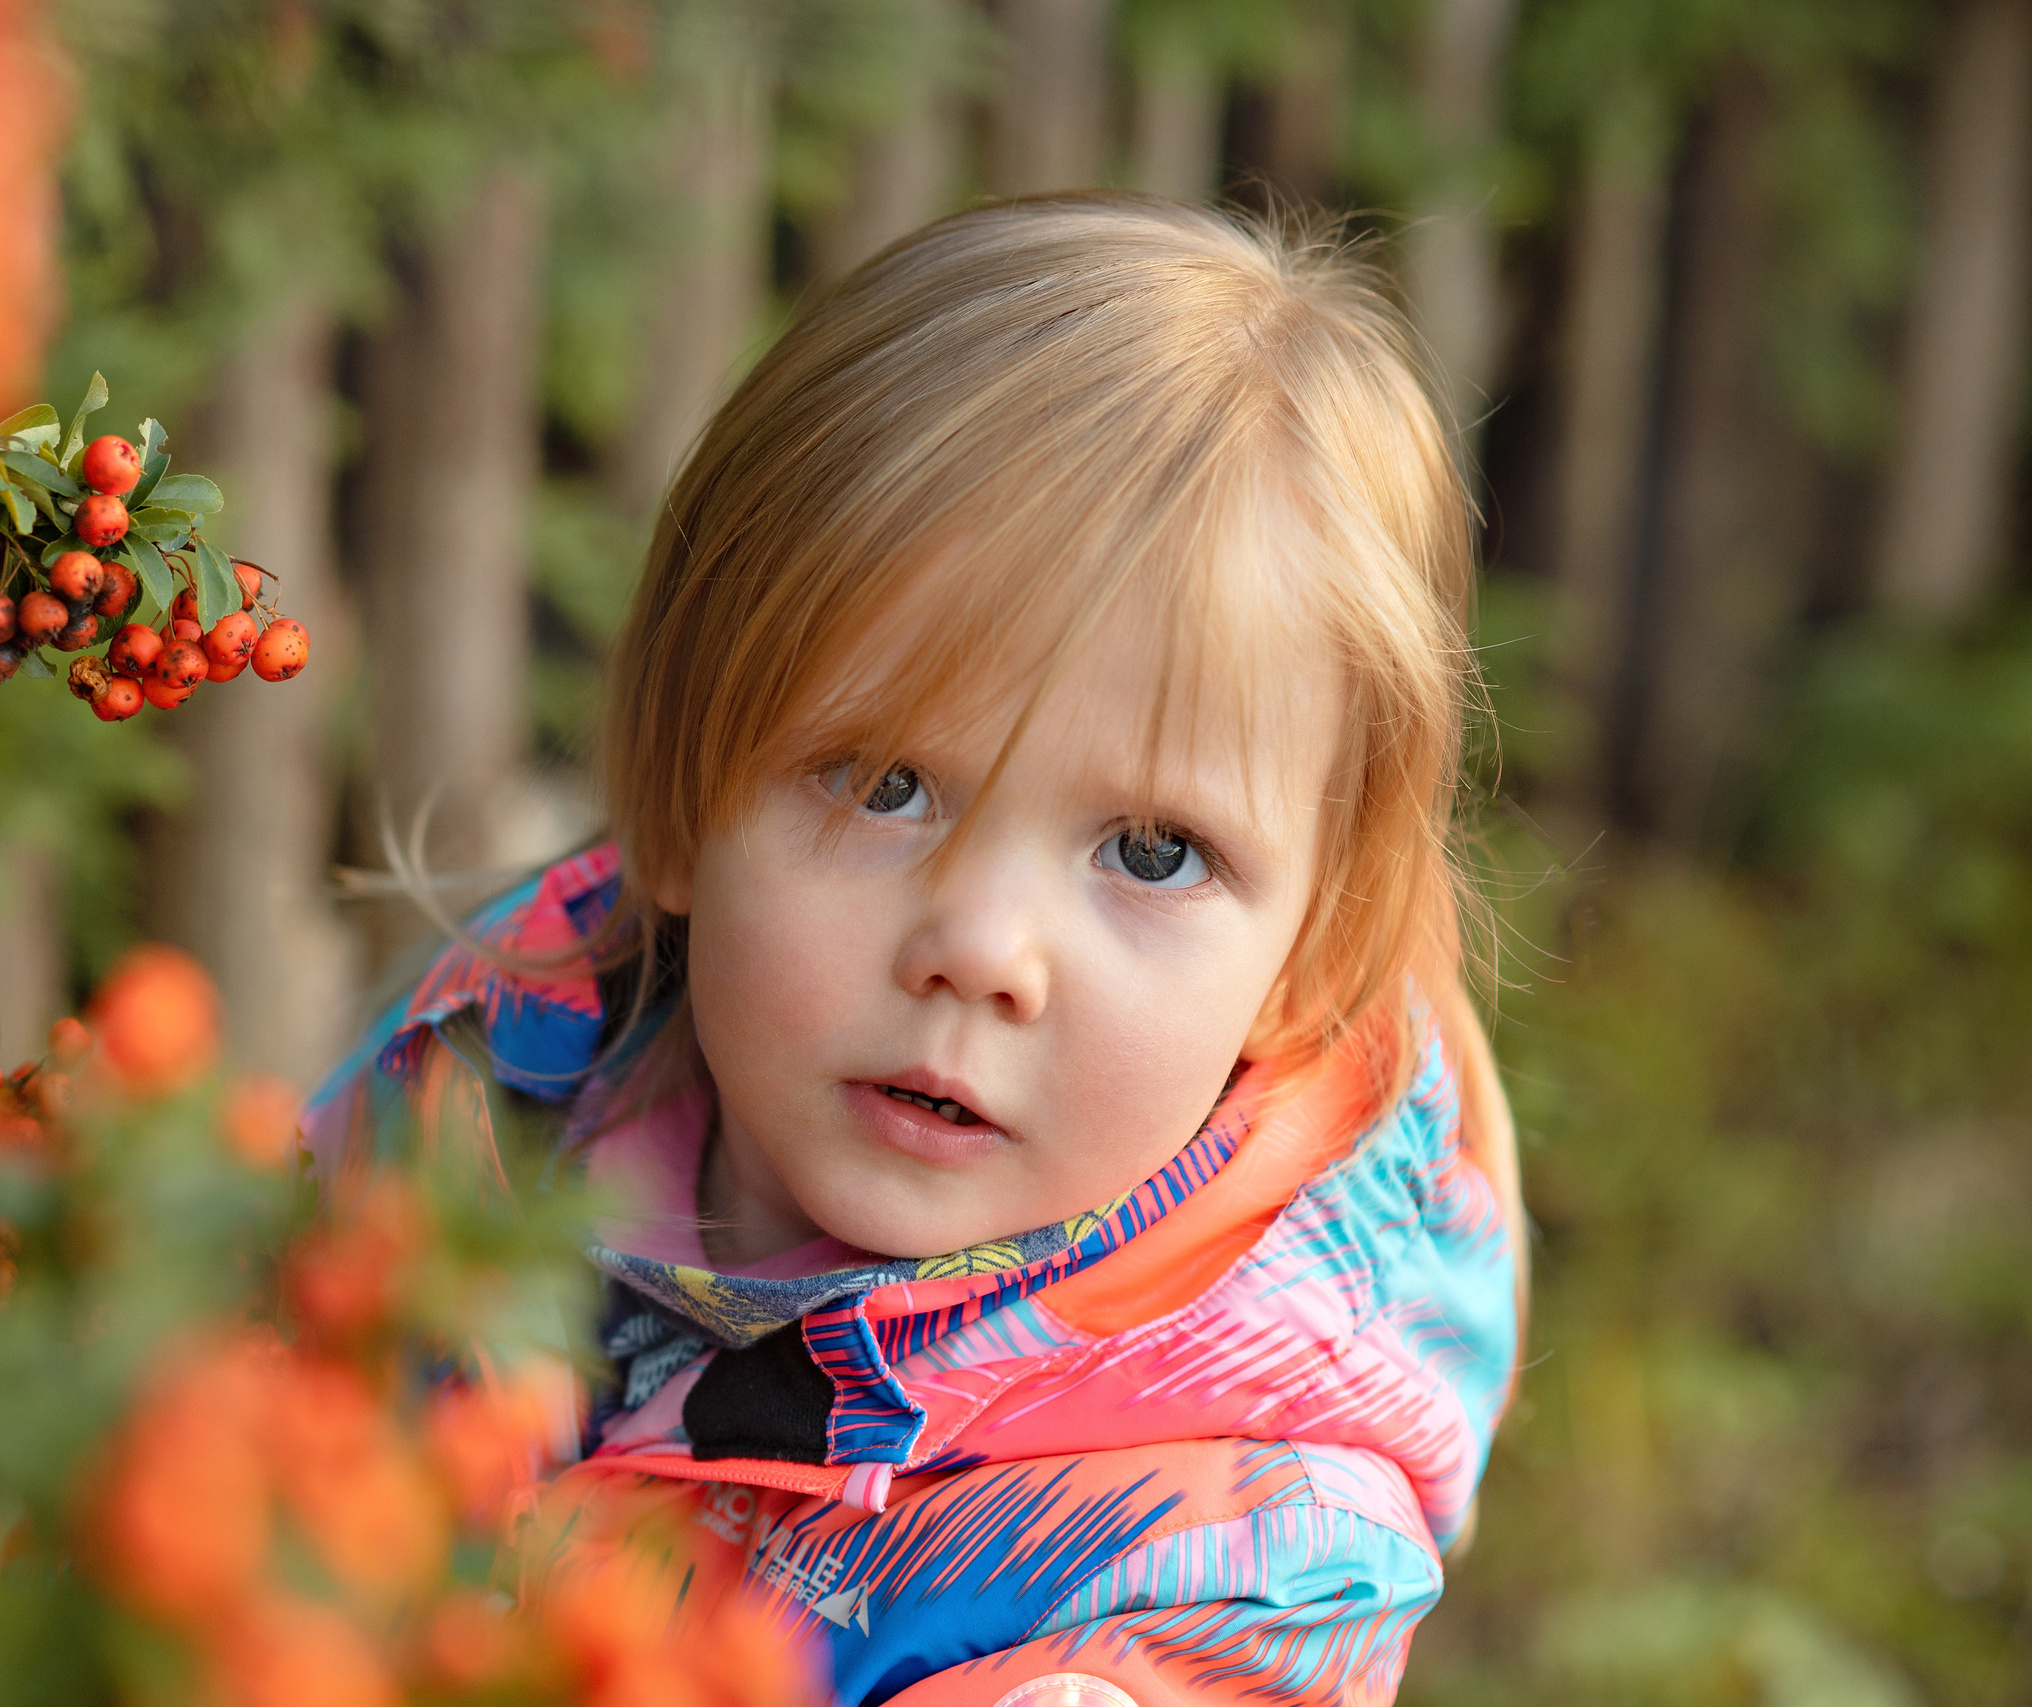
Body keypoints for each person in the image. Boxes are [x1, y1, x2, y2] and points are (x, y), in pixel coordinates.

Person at [305, 194, 1525, 1707]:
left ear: (1307, 956)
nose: (984, 951)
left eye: (1152, 852)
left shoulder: (1215, 1572)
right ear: (685, 802)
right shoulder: (499, 1076)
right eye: (884, 785)